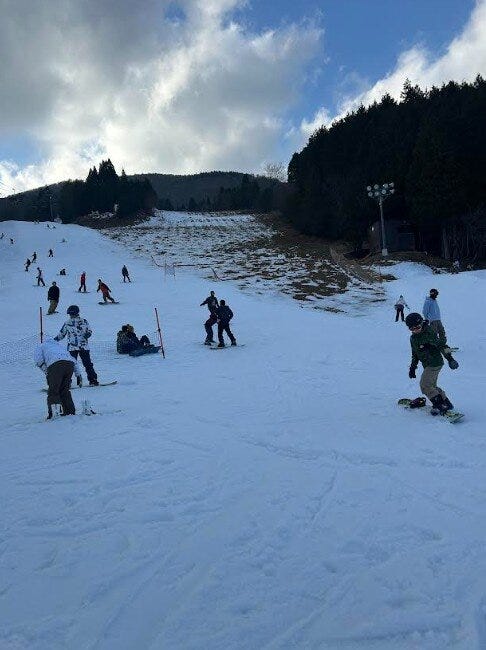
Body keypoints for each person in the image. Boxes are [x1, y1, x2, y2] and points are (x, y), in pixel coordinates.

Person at [405, 312, 458, 414]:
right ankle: (446, 403)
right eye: (412, 329)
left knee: (425, 385)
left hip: (434, 362)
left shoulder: (429, 333)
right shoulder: (413, 338)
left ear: (421, 323)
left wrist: (450, 359)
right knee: (432, 386)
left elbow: (442, 345)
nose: (415, 330)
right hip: (427, 364)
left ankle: (440, 405)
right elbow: (415, 354)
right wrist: (412, 368)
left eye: (417, 327)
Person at [34, 337, 83, 418]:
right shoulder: (59, 346)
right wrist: (78, 375)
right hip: (69, 365)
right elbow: (73, 360)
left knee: (53, 390)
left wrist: (47, 372)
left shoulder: (41, 346)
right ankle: (69, 412)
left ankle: (54, 413)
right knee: (65, 390)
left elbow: (38, 360)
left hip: (56, 365)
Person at [55, 305, 99, 386]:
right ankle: (68, 382)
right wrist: (54, 340)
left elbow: (89, 330)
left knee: (83, 364)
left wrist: (88, 334)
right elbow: (62, 334)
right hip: (76, 347)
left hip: (80, 347)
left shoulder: (82, 321)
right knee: (74, 365)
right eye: (70, 314)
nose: (71, 315)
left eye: (71, 314)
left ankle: (92, 380)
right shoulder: (70, 323)